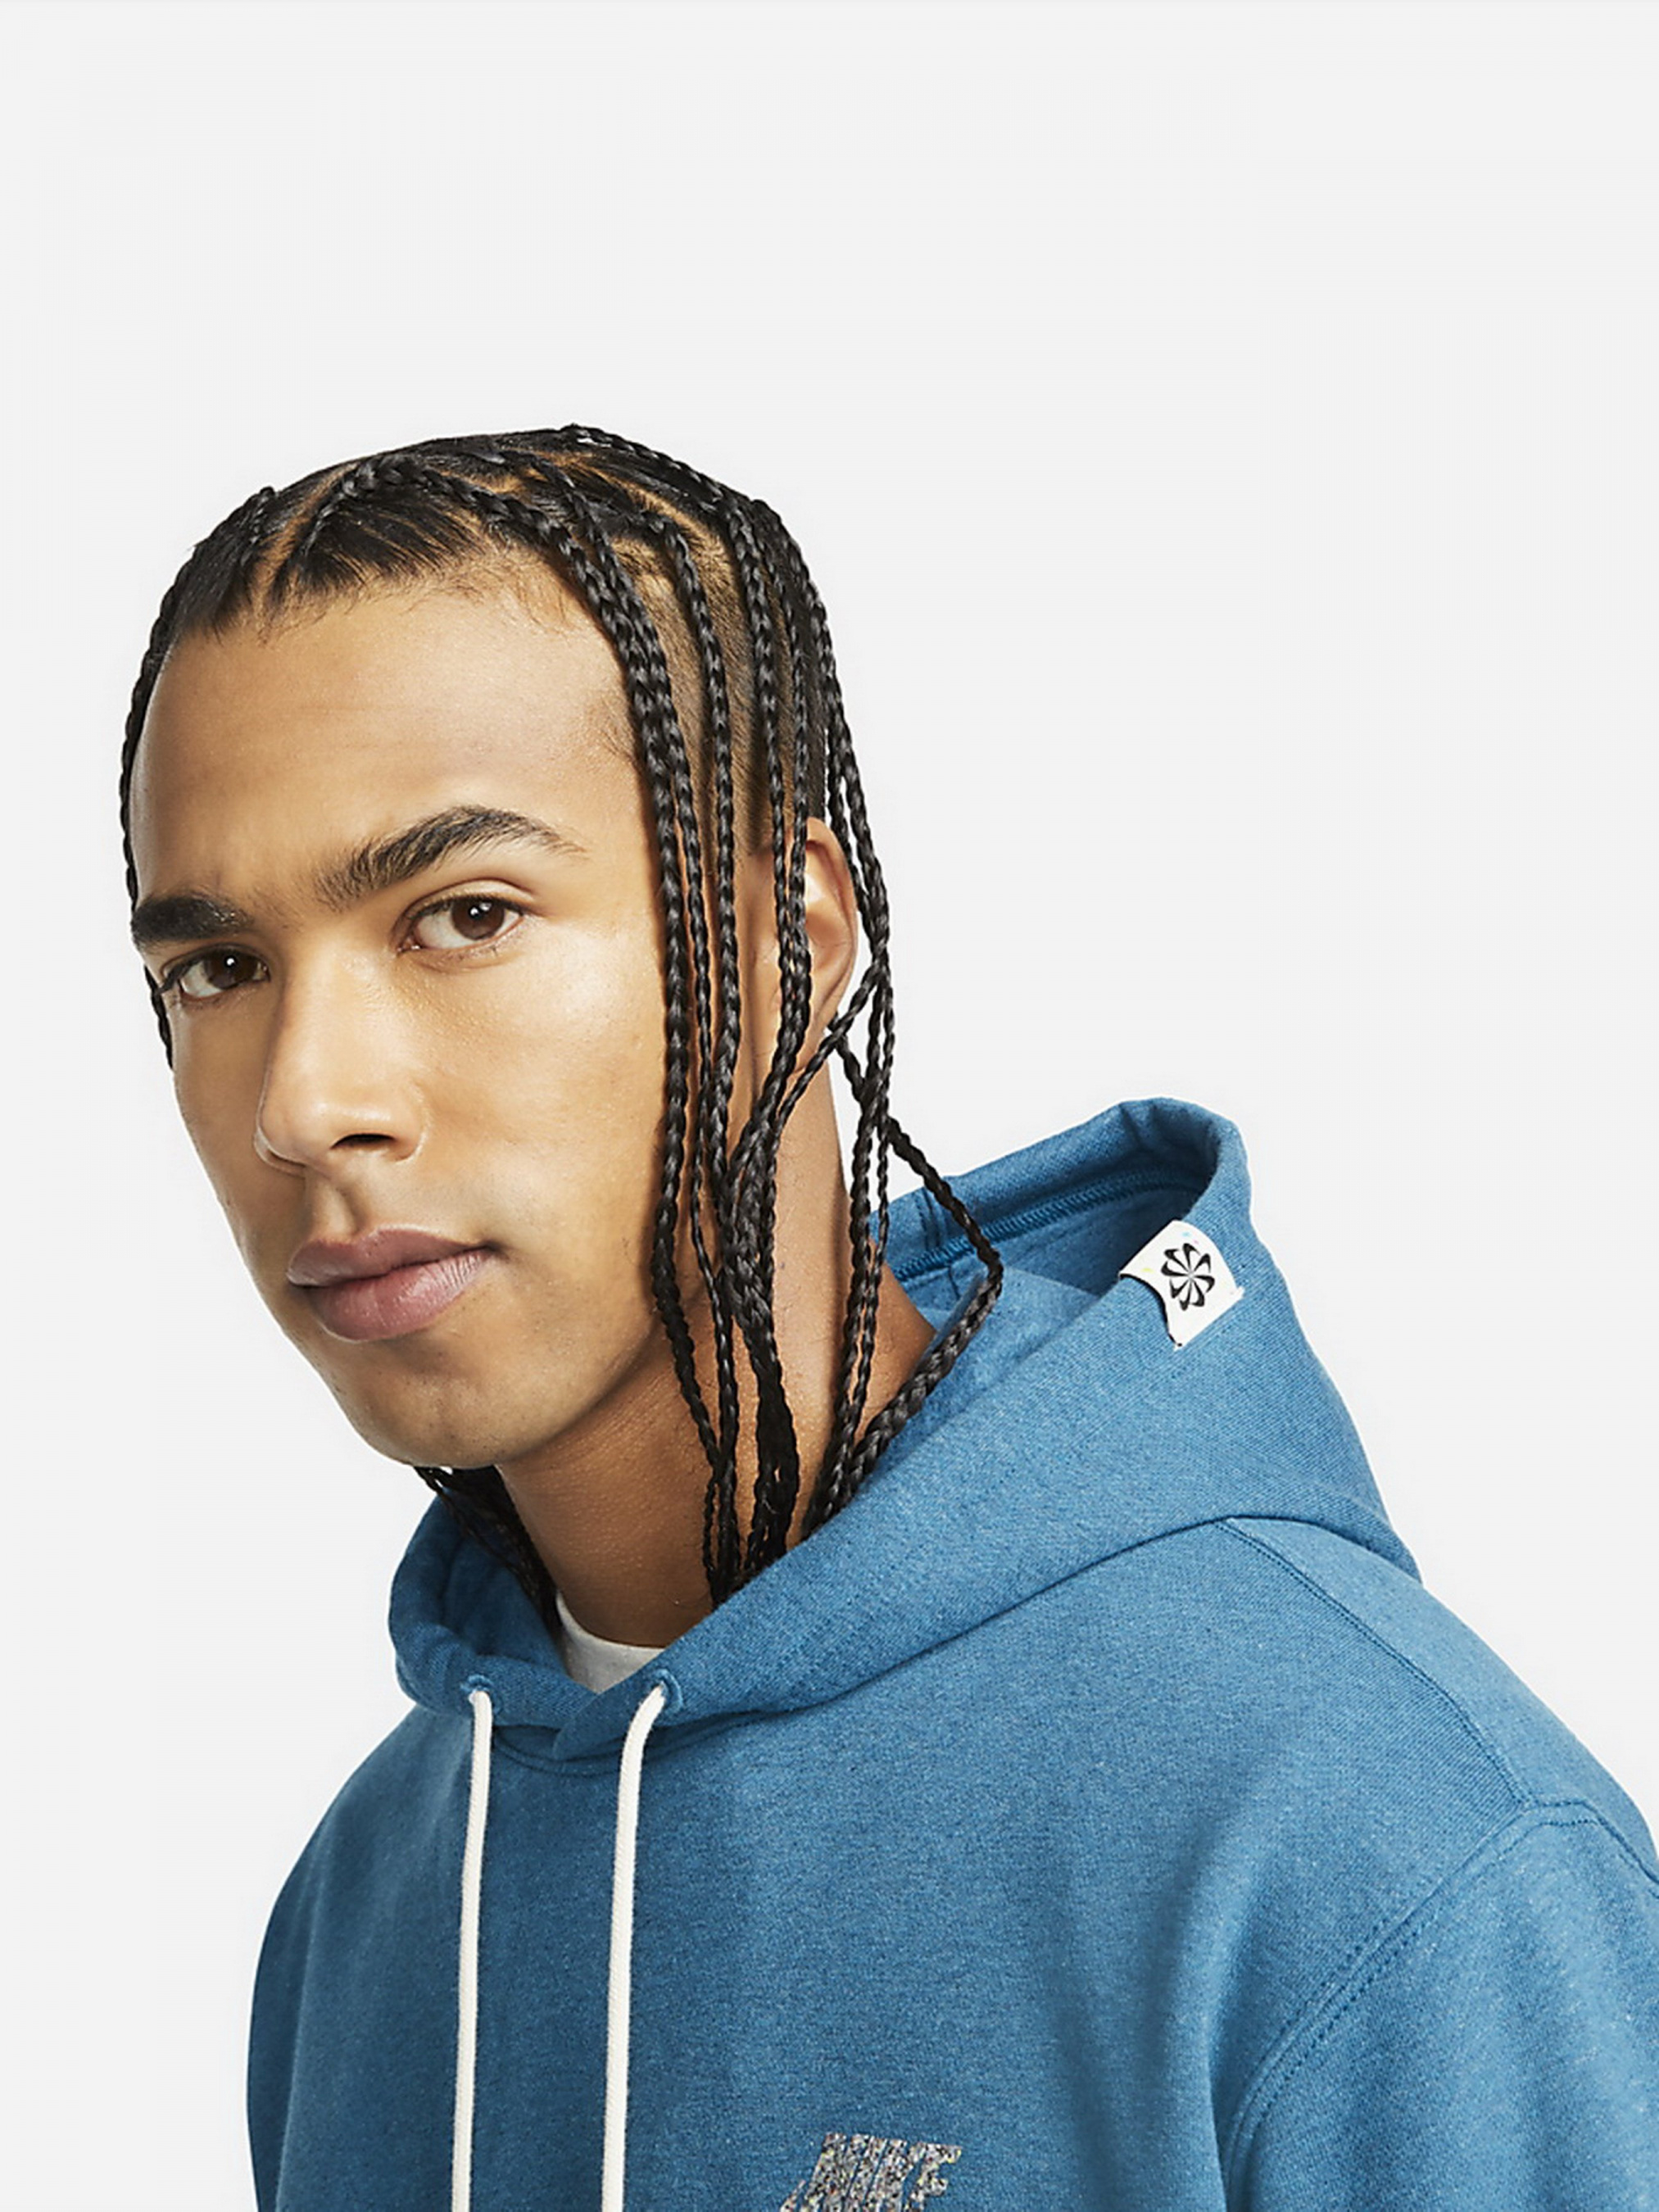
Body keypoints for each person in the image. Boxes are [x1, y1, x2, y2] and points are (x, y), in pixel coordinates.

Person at [122, 428, 1659, 2212]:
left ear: (792, 940)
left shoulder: (1379, 1855)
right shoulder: (374, 1905)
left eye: (465, 915)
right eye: (218, 968)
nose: (303, 1103)